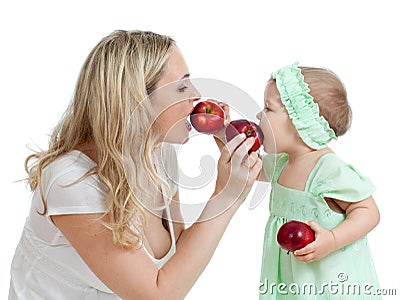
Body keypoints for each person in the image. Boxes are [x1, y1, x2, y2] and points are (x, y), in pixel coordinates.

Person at [8, 30, 262, 299]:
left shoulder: (159, 155)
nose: (197, 95)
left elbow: (178, 267)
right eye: (182, 87)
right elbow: (156, 294)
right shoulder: (71, 181)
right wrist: (225, 198)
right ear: (136, 102)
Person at [256, 63, 381, 299]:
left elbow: (368, 210)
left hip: (330, 283)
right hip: (292, 282)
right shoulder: (282, 162)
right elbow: (247, 168)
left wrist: (332, 240)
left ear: (300, 122)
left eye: (268, 109)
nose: (258, 115)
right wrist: (224, 134)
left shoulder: (328, 170)